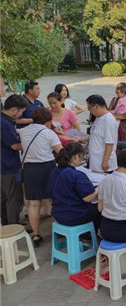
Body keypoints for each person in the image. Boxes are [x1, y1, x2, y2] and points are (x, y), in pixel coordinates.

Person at [20, 107, 63, 246]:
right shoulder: (49, 133)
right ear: (47, 120)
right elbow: (61, 152)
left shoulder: (23, 131)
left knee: (33, 203)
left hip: (30, 169)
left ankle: (36, 235)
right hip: (47, 168)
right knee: (53, 199)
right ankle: (59, 229)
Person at [48, 143, 101, 231]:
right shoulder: (76, 174)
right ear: (76, 156)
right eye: (82, 158)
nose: (82, 161)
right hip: (75, 215)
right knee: (101, 206)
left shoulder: (54, 172)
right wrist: (99, 188)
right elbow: (88, 198)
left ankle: (86, 233)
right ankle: (90, 233)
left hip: (58, 213)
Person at [1, 95, 27, 225]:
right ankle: (13, 226)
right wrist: (29, 143)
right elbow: (15, 145)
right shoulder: (5, 123)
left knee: (4, 198)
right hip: (8, 166)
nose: (21, 115)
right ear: (13, 109)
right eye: (21, 112)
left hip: (3, 165)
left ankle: (6, 225)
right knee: (13, 198)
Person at [86, 95, 118, 173]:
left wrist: (105, 161)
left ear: (96, 106)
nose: (89, 110)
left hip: (103, 163)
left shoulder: (108, 120)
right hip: (95, 161)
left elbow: (109, 143)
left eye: (89, 108)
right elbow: (96, 136)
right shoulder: (99, 117)